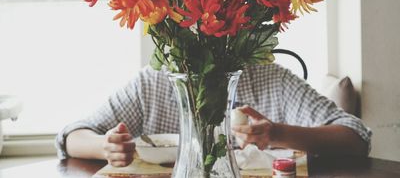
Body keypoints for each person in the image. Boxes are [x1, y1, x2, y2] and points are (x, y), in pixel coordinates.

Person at [56, 64, 372, 167]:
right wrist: (106, 147)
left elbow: (356, 138)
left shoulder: (270, 79)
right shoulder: (152, 83)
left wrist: (275, 132)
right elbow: (72, 135)